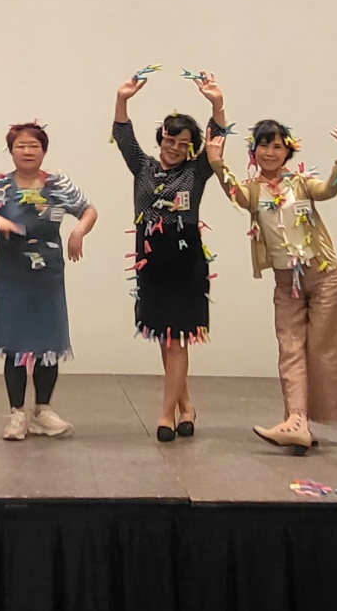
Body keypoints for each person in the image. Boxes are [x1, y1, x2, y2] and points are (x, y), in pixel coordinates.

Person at [207, 118, 337, 454]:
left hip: (324, 275)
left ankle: (307, 418)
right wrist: (217, 163)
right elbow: (237, 196)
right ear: (254, 150)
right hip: (285, 281)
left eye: (277, 146)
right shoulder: (253, 190)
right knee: (289, 348)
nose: (270, 152)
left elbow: (328, 190)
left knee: (320, 349)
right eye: (264, 145)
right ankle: (296, 420)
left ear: (287, 151)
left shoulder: (300, 183)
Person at [0, 122, 98, 440]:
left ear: (44, 150)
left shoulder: (59, 184)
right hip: (12, 278)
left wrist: (78, 231)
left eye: (34, 145)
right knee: (15, 344)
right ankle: (17, 414)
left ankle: (43, 411)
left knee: (48, 344)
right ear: (11, 151)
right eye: (20, 145)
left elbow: (89, 210)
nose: (27, 151)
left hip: (48, 277)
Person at [111, 67, 226, 441]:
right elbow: (123, 135)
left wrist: (217, 105)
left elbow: (217, 140)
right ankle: (186, 405)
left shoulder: (197, 172)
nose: (174, 147)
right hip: (150, 259)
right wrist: (122, 98)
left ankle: (165, 414)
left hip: (185, 261)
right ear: (161, 137)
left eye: (183, 143)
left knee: (178, 339)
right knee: (165, 336)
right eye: (169, 139)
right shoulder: (142, 166)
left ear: (191, 147)